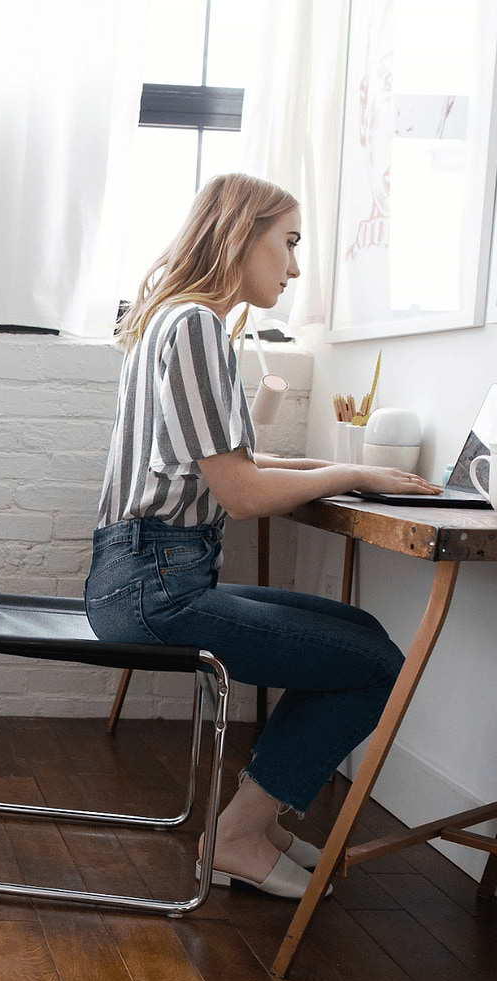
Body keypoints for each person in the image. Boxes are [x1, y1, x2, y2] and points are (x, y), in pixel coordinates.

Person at [85, 172, 439, 900]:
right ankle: (239, 834)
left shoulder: (179, 321)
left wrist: (352, 472)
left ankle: (262, 821)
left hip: (148, 575)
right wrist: (350, 474)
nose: (296, 266)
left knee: (358, 633)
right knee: (373, 663)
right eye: (290, 243)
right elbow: (243, 494)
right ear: (241, 235)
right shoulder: (196, 326)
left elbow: (241, 462)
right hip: (155, 589)